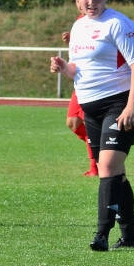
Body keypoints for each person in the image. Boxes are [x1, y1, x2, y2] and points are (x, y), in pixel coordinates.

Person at [50, 0, 134, 251]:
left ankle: (101, 234)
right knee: (115, 171)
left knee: (106, 167)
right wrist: (63, 67)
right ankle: (129, 236)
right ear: (77, 1)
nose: (91, 2)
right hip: (90, 109)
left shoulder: (117, 23)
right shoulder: (79, 26)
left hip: (118, 103)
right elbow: (78, 71)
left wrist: (131, 105)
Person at [61, 30, 98, 177]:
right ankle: (99, 144)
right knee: (72, 123)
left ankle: (95, 167)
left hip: (93, 82)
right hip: (80, 82)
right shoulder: (80, 22)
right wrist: (71, 42)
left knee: (88, 124)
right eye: (77, 4)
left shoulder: (100, 18)